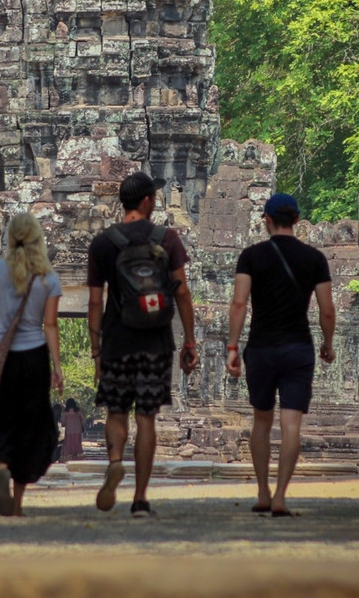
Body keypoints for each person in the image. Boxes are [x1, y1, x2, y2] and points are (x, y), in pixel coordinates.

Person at [87, 171, 198, 518]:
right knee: (146, 417)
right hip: (156, 340)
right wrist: (189, 341)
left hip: (117, 340)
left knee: (116, 410)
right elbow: (181, 291)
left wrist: (96, 348)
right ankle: (140, 498)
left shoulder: (104, 243)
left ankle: (116, 461)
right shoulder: (167, 239)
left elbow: (94, 301)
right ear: (148, 200)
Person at [225, 193, 335, 517]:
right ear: (297, 221)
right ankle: (281, 496)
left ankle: (262, 490)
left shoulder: (251, 256)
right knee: (291, 424)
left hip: (260, 347)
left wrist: (232, 346)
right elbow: (327, 310)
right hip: (298, 348)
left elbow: (239, 304)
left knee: (261, 419)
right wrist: (328, 344)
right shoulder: (314, 259)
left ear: (267, 221)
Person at [0, 212, 64, 517]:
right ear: (39, 237)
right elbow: (50, 325)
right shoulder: (48, 277)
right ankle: (19, 504)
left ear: (10, 237)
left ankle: (1, 467)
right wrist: (57, 366)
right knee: (31, 427)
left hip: (1, 358)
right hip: (34, 356)